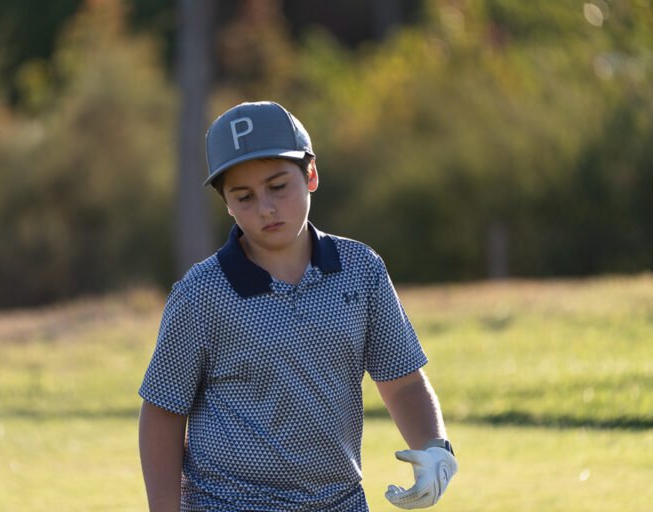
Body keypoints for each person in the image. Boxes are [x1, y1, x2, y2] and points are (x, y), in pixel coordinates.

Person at [138, 101, 457, 511]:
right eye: (244, 196)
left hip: (340, 502)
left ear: (311, 175)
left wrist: (434, 450)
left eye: (277, 187)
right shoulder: (201, 294)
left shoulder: (361, 269)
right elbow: (163, 410)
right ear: (227, 204)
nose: (266, 208)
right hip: (228, 503)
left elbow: (403, 380)